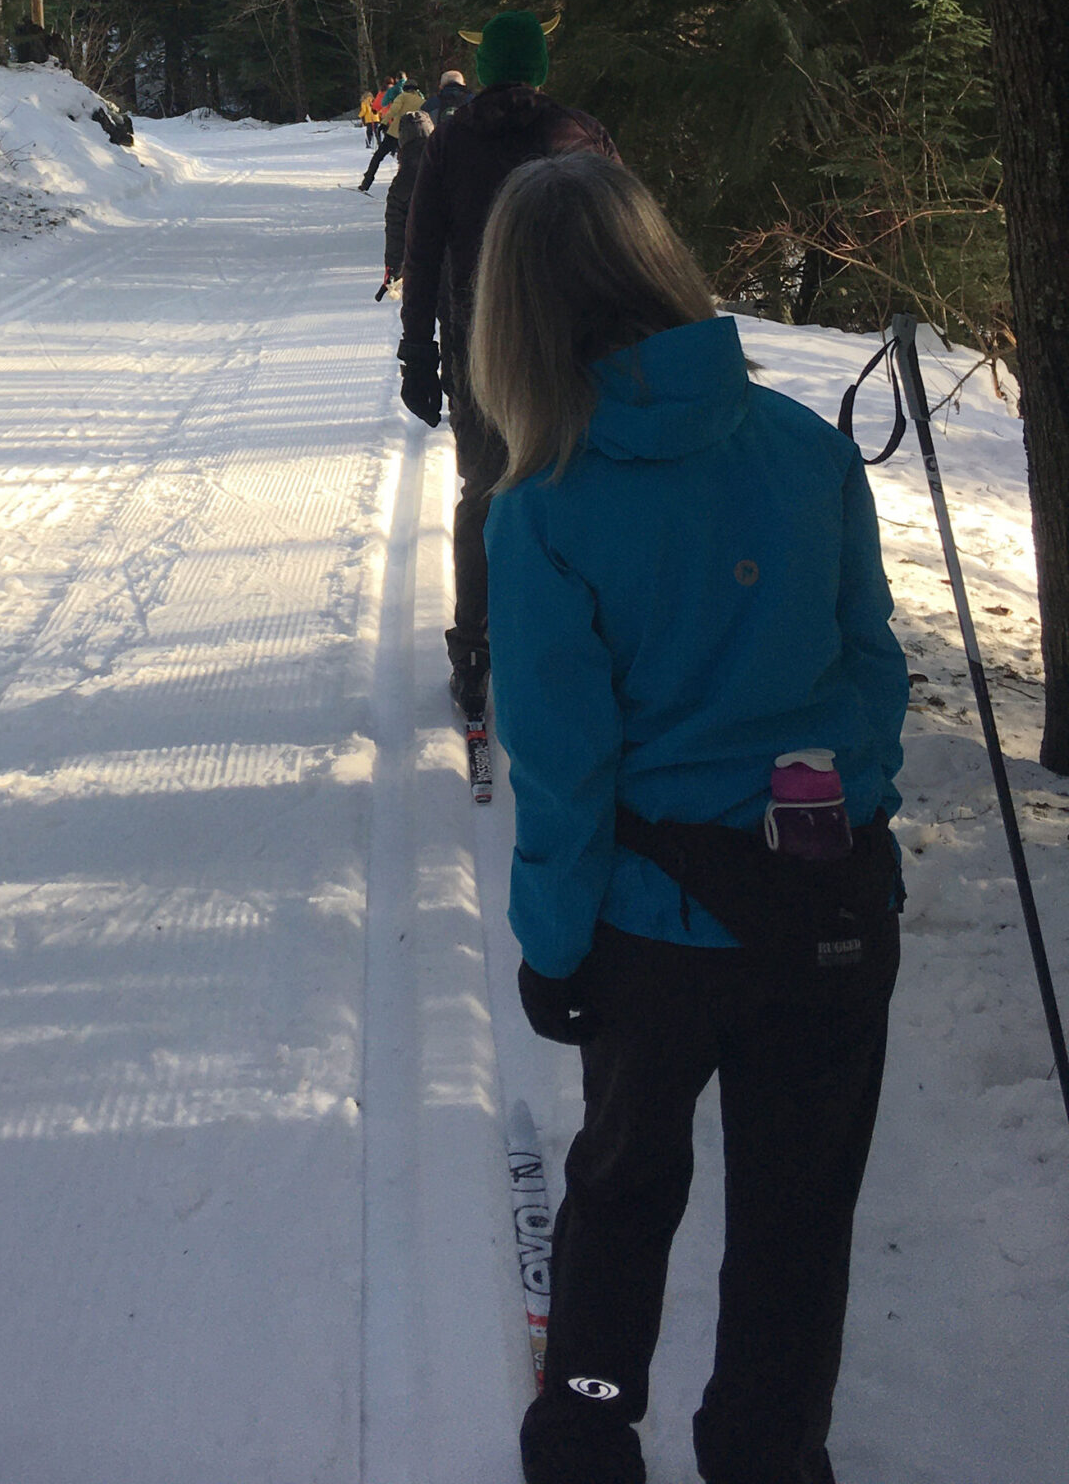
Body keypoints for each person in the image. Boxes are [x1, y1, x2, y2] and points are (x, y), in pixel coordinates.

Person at [469, 154, 907, 1484]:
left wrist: (553, 951)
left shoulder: (544, 504)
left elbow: (563, 768)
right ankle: (771, 1453)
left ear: (517, 318)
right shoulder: (804, 448)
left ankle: (592, 1424)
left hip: (655, 933)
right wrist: (842, 828)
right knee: (798, 1221)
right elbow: (871, 671)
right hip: (826, 910)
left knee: (620, 1197)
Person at [397, 9, 615, 716]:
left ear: (485, 67)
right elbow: (627, 244)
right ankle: (587, 641)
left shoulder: (450, 142)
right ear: (542, 67)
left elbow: (422, 253)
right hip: (577, 355)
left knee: (486, 496)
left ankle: (475, 650)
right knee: (578, 492)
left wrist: (418, 356)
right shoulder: (583, 134)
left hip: (479, 357)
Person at [381, 104, 429, 292]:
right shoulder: (450, 167)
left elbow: (395, 228)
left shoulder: (402, 182)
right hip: (454, 258)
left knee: (416, 312)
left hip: (418, 262)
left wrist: (393, 269)